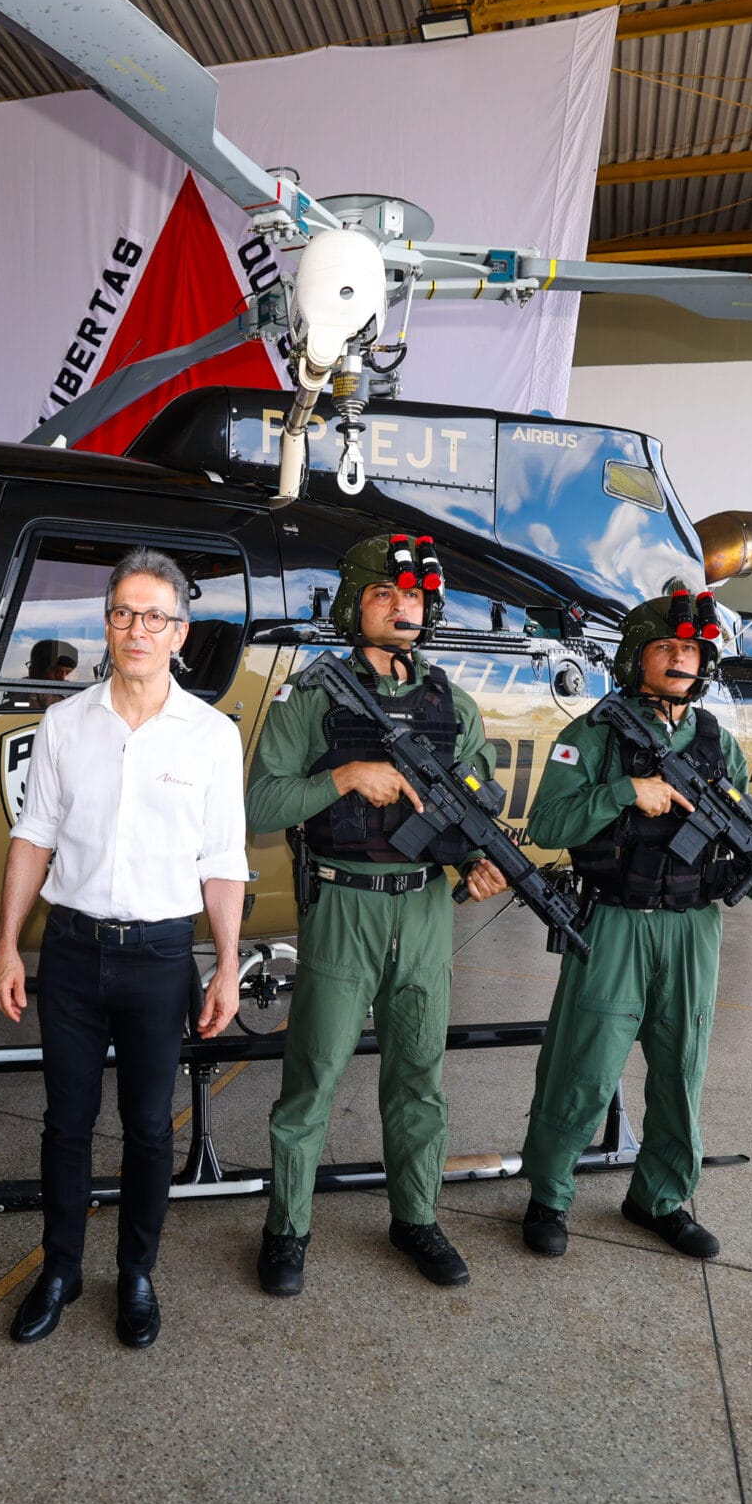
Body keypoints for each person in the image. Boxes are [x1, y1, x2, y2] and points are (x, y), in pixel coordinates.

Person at [0, 549, 248, 1349]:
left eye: (157, 616)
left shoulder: (210, 735)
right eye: (125, 613)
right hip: (69, 953)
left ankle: (136, 1272)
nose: (139, 629)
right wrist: (6, 944)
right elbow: (32, 836)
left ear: (182, 633)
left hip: (161, 959)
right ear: (107, 623)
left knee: (147, 1125)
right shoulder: (65, 723)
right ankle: (59, 1268)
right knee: (65, 1122)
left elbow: (224, 861)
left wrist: (228, 966)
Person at [517, 588, 752, 1264]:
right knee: (585, 1065)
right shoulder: (594, 734)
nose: (684, 657)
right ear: (638, 657)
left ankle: (658, 1196)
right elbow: (546, 826)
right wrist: (627, 791)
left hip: (692, 929)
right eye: (668, 646)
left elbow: (740, 845)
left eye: (693, 648)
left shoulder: (720, 747)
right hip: (614, 923)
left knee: (681, 1065)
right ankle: (550, 1193)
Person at [246, 533, 508, 1296]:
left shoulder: (452, 705)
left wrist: (478, 860)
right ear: (354, 603)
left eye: (415, 597)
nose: (403, 609)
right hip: (343, 903)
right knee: (314, 1077)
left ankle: (416, 1216)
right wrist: (347, 776)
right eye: (385, 594)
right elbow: (261, 802)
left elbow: (469, 808)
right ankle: (287, 1226)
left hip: (425, 910)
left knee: (419, 1077)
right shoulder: (316, 697)